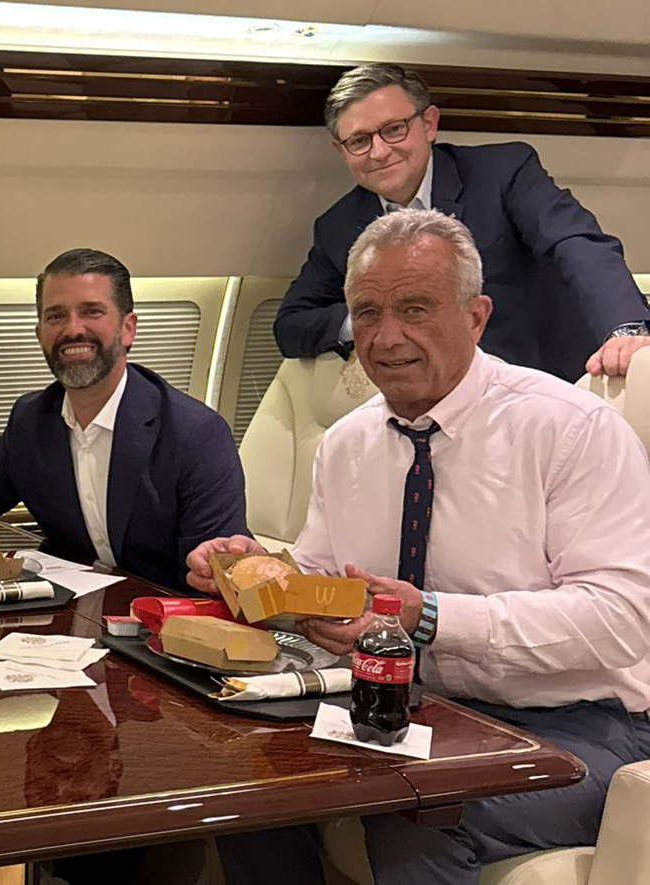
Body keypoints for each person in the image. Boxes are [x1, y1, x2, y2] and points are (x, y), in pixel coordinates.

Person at [189, 209, 650, 885]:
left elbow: (621, 619)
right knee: (253, 778)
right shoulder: (347, 443)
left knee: (414, 813)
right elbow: (325, 581)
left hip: (582, 726)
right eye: (368, 313)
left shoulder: (570, 430)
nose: (387, 337)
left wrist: (428, 616)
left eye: (414, 309)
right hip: (413, 710)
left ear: (476, 316)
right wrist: (254, 576)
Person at [0, 247, 247, 590]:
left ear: (128, 329)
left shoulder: (196, 434)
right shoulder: (31, 419)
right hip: (70, 611)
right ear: (39, 334)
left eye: (92, 311)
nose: (73, 329)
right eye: (56, 315)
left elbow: (215, 574)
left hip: (157, 619)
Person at [274, 62, 650, 380]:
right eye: (359, 141)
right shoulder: (339, 226)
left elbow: (576, 243)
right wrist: (373, 318)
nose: (379, 152)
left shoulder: (502, 173)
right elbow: (291, 324)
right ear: (341, 150)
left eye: (393, 130)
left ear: (429, 124)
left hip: (551, 379)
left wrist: (626, 327)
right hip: (438, 404)